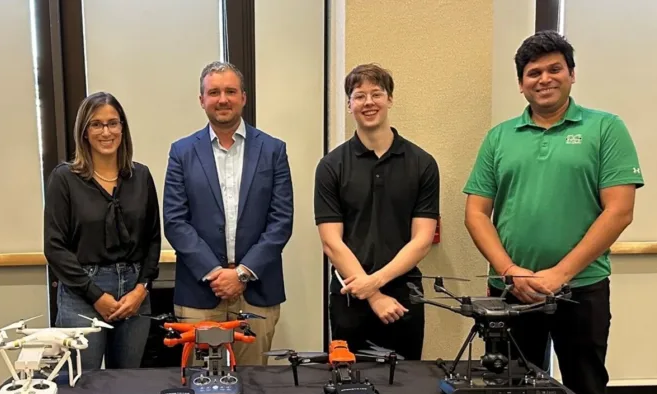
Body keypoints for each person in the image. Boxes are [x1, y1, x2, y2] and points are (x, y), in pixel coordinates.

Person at [463, 31, 644, 394]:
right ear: (521, 84)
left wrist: (559, 274)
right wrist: (510, 270)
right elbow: (476, 212)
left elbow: (619, 210)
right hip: (511, 292)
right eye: (532, 73)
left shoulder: (604, 129)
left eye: (552, 69)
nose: (543, 79)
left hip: (580, 292)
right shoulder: (500, 137)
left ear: (570, 73)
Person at [163, 61, 293, 366]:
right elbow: (175, 220)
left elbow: (281, 220)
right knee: (200, 384)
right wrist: (216, 273)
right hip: (199, 294)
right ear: (202, 100)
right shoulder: (182, 152)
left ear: (243, 97)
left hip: (257, 291)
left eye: (230, 91)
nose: (223, 99)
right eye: (214, 92)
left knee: (253, 388)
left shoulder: (273, 150)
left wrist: (242, 274)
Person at [314, 63, 439, 360]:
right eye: (359, 96)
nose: (368, 103)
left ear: (390, 100)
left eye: (376, 94)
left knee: (405, 386)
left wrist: (376, 282)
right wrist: (372, 294)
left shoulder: (422, 163)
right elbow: (332, 242)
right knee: (349, 387)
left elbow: (422, 240)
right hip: (349, 294)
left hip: (403, 295)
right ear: (349, 105)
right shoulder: (331, 166)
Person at [44, 91, 161, 370]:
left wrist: (141, 289)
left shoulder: (141, 176)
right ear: (84, 132)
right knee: (83, 387)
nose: (106, 131)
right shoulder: (65, 179)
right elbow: (55, 248)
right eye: (96, 124)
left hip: (134, 294)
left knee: (128, 384)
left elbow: (153, 239)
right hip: (82, 294)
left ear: (123, 128)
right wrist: (96, 296)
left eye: (113, 123)